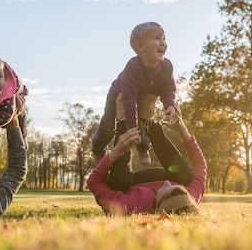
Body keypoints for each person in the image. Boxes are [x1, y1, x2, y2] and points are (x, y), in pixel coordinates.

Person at [92, 21, 178, 167]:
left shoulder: (166, 67)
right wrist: (132, 129)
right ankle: (97, 149)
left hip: (144, 96)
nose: (163, 43)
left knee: (145, 120)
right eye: (157, 38)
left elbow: (168, 89)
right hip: (119, 95)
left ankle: (143, 148)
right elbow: (129, 101)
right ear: (140, 46)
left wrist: (170, 105)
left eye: (164, 38)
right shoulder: (133, 68)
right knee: (108, 127)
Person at [87, 110, 206, 215]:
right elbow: (200, 166)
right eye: (178, 188)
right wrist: (184, 131)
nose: (167, 183)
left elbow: (93, 182)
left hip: (128, 185)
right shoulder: (188, 199)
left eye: (166, 189)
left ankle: (124, 121)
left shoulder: (128, 206)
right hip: (155, 177)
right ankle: (149, 123)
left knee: (119, 183)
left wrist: (117, 152)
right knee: (186, 176)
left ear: (159, 205)